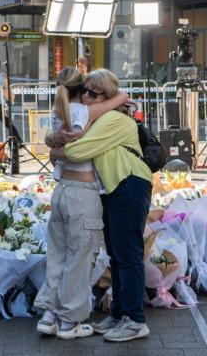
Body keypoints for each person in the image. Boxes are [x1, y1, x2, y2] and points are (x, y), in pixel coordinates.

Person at [50, 69, 153, 343]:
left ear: (106, 96)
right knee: (118, 256)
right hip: (115, 188)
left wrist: (58, 150)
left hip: (129, 184)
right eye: (84, 90)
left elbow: (78, 151)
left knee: (128, 254)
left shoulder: (114, 120)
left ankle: (134, 319)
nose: (85, 96)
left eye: (93, 93)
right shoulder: (100, 117)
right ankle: (119, 314)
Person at [35, 67, 129, 340]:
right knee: (80, 257)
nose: (91, 95)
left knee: (58, 256)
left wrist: (53, 146)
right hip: (84, 192)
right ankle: (70, 322)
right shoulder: (83, 112)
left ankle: (49, 315)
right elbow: (116, 98)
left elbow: (54, 148)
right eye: (87, 90)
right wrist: (121, 96)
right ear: (81, 90)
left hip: (62, 189)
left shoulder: (58, 112)